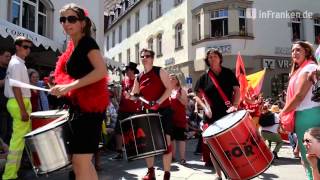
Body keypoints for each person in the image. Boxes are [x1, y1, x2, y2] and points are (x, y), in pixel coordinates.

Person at [50, 3, 109, 180]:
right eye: (63, 19)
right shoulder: (71, 48)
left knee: (80, 161)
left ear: (82, 23)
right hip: (77, 109)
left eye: (71, 19)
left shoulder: (87, 42)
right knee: (81, 161)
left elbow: (101, 71)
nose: (66, 23)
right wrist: (61, 88)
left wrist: (69, 87)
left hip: (90, 110)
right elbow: (71, 79)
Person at [194, 48, 240, 180]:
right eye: (209, 57)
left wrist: (235, 106)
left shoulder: (228, 73)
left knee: (230, 144)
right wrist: (204, 108)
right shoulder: (204, 77)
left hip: (228, 114)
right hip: (211, 116)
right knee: (214, 146)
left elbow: (237, 90)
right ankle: (218, 175)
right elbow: (196, 96)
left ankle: (233, 171)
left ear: (220, 58)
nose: (212, 59)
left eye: (214, 56)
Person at [279, 41, 320, 180]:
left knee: (312, 158)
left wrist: (283, 112)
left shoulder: (309, 68)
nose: (294, 53)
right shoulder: (301, 69)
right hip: (304, 115)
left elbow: (299, 96)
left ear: (307, 52)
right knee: (308, 157)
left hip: (309, 115)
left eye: (298, 50)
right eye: (293, 51)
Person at [130, 48, 173, 180]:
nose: (144, 58)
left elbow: (169, 89)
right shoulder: (139, 76)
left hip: (163, 112)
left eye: (147, 56)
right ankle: (151, 172)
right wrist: (131, 95)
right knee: (149, 146)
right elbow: (134, 95)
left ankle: (166, 174)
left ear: (152, 58)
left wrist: (158, 102)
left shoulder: (159, 71)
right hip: (147, 114)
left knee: (166, 144)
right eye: (142, 56)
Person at [2, 36, 33, 180]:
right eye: (25, 47)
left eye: (29, 47)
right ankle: (9, 175)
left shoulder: (19, 63)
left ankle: (13, 173)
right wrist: (22, 109)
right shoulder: (16, 63)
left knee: (20, 141)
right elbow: (15, 87)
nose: (28, 50)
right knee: (17, 141)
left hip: (19, 101)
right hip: (18, 103)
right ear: (17, 47)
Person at [110, 62, 140, 161]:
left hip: (133, 110)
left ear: (132, 71)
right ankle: (119, 152)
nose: (126, 72)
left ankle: (132, 151)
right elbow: (121, 93)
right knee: (118, 131)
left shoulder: (137, 81)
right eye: (126, 71)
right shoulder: (124, 81)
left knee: (131, 132)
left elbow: (138, 96)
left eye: (127, 70)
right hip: (122, 109)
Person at [169, 74, 188, 165]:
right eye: (170, 79)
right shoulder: (168, 91)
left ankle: (182, 158)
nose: (172, 80)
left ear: (177, 80)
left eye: (173, 78)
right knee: (172, 139)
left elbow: (185, 103)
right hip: (170, 118)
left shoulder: (182, 90)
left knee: (180, 139)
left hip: (180, 118)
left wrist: (179, 97)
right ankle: (172, 157)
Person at [0, 48, 12, 144]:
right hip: (1, 107)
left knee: (9, 132)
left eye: (10, 57)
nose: (9, 58)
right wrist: (7, 81)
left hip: (10, 106)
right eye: (6, 56)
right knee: (2, 133)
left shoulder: (9, 69)